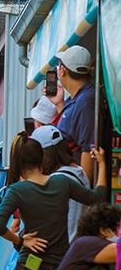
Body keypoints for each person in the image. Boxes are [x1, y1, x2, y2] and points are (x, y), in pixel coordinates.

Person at [0, 137, 107, 270]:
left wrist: (21, 240)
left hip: (30, 267)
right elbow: (98, 199)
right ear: (42, 159)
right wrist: (101, 164)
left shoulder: (16, 190)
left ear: (19, 163)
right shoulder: (63, 182)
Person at [36, 125, 91, 242]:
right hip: (75, 249)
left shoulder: (58, 180)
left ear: (44, 154)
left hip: (62, 253)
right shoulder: (79, 171)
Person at [51, 45, 96, 178]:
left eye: (59, 66)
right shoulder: (76, 98)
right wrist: (59, 104)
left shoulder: (86, 101)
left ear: (63, 71)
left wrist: (83, 190)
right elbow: (72, 127)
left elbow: (88, 149)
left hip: (74, 183)